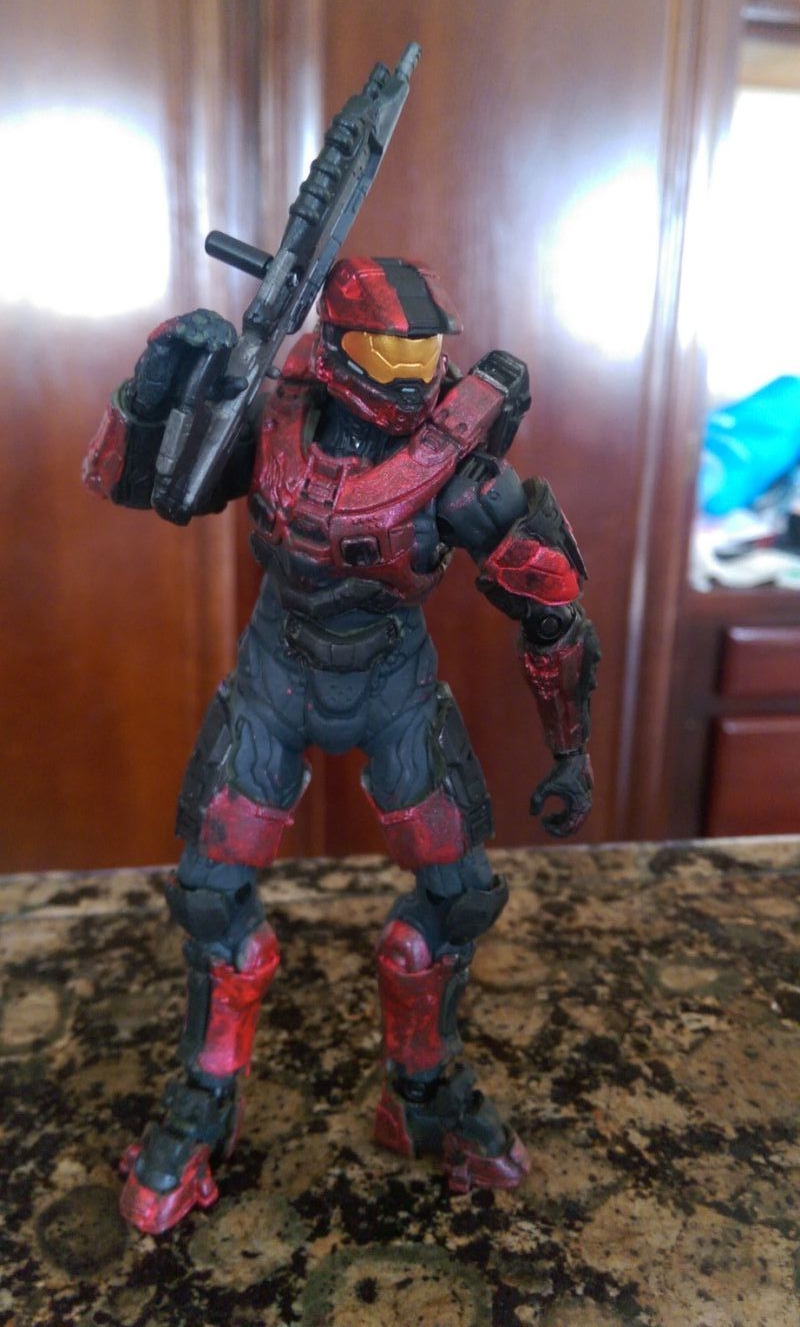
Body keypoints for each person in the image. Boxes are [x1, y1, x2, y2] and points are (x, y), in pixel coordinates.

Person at [84, 254, 600, 1233]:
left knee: (457, 895)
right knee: (210, 895)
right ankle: (206, 1097)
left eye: (423, 355)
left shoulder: (462, 468)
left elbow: (553, 616)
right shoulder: (271, 416)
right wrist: (150, 396)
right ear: (332, 350)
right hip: (275, 670)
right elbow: (139, 486)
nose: (410, 377)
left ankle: (423, 1088)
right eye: (385, 353)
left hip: (391, 677)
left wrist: (568, 752)